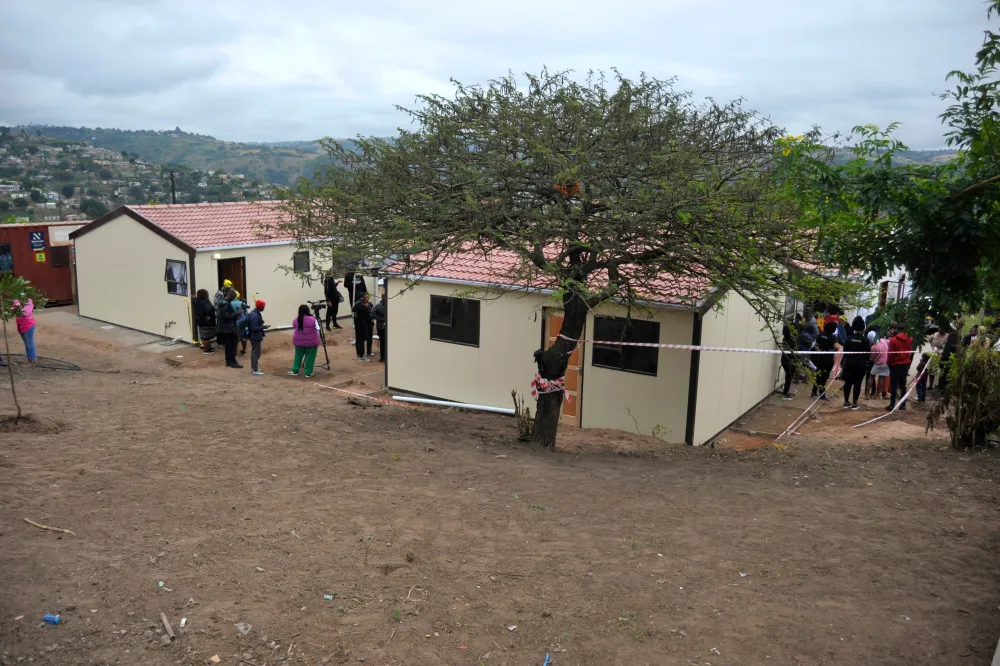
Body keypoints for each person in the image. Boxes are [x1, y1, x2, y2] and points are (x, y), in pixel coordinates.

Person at [841, 316, 871, 410]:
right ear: (863, 328)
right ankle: (854, 403)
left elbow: (845, 351)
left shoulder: (849, 338)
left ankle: (846, 402)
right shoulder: (865, 340)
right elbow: (868, 354)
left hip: (849, 363)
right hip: (861, 364)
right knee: (857, 383)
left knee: (848, 382)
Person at [886, 324, 914, 411]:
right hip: (905, 364)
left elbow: (890, 354)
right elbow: (910, 352)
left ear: (897, 330)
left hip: (895, 365)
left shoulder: (893, 340)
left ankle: (892, 405)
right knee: (903, 385)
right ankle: (903, 405)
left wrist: (889, 363)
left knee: (894, 385)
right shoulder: (910, 339)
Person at [289, 304, 321, 378]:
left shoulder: (297, 319)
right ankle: (308, 373)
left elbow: (294, 325)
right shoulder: (313, 319)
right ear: (308, 311)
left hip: (299, 342)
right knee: (310, 358)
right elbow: (318, 329)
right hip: (311, 343)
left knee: (298, 356)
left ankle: (294, 371)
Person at [811, 321, 839, 400]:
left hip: (820, 357)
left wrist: (819, 352)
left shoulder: (821, 335)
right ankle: (822, 394)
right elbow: (836, 347)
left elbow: (816, 345)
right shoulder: (833, 337)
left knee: (818, 375)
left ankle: (814, 391)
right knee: (825, 376)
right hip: (828, 359)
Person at [216, 287, 242, 369]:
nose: (234, 299)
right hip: (228, 328)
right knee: (232, 345)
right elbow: (225, 316)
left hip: (224, 328)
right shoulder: (225, 304)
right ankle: (233, 362)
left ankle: (228, 361)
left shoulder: (222, 302)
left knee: (228, 346)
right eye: (233, 298)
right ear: (231, 296)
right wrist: (237, 313)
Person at [193, 289, 217, 354]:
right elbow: (210, 310)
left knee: (203, 336)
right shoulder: (206, 303)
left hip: (200, 321)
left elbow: (193, 299)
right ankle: (206, 349)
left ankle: (206, 346)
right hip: (207, 322)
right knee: (206, 337)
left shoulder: (196, 301)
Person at [14, 297, 36, 367]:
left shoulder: (28, 301)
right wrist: (15, 305)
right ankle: (29, 360)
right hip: (20, 325)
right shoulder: (17, 300)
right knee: (26, 344)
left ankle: (32, 361)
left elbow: (25, 313)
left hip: (28, 325)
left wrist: (18, 306)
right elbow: (12, 310)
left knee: (29, 344)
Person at [869, 331, 891, 400]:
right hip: (885, 363)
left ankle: (867, 395)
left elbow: (872, 358)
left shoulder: (873, 347)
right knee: (881, 379)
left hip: (877, 364)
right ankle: (879, 395)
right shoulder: (883, 340)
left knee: (871, 377)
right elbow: (890, 342)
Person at [780, 318, 798, 401]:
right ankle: (785, 393)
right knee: (789, 376)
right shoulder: (792, 340)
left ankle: (786, 391)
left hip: (784, 358)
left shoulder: (785, 338)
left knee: (788, 376)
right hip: (790, 360)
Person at [353, 292, 374, 361]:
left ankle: (360, 354)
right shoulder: (361, 305)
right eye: (366, 297)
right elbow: (365, 315)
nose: (367, 299)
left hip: (361, 324)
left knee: (360, 339)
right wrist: (365, 307)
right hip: (361, 324)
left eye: (368, 297)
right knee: (361, 340)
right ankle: (361, 356)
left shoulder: (360, 304)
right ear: (362, 298)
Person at [247, 300, 266, 376]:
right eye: (263, 306)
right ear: (260, 307)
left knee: (255, 352)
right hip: (255, 336)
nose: (264, 308)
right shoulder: (255, 316)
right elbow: (254, 328)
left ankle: (254, 368)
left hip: (254, 336)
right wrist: (263, 327)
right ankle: (255, 369)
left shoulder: (255, 314)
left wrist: (261, 323)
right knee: (256, 353)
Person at [372, 292, 387, 362]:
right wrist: (382, 319)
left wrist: (380, 319)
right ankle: (384, 357)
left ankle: (383, 357)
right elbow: (373, 314)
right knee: (384, 342)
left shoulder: (378, 305)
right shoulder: (379, 306)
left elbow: (373, 314)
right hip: (382, 327)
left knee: (383, 342)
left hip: (382, 326)